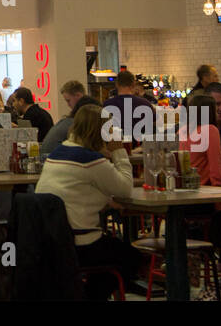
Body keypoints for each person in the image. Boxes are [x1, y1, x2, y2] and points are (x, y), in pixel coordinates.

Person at [34, 103, 140, 301]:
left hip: (52, 240)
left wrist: (106, 200)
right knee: (131, 257)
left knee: (113, 254)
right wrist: (119, 152)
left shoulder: (58, 153)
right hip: (80, 243)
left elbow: (77, 190)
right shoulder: (90, 160)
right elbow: (125, 188)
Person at [39, 79, 95, 156]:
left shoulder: (66, 122)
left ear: (78, 95)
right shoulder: (76, 122)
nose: (68, 105)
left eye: (68, 101)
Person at [100, 70, 158, 143]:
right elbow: (155, 125)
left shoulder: (107, 105)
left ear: (116, 85)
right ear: (133, 84)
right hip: (140, 147)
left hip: (116, 147)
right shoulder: (145, 103)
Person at [181, 92, 221, 186]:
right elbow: (216, 168)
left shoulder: (183, 131)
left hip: (184, 189)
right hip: (202, 190)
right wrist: (219, 197)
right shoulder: (210, 130)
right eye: (216, 111)